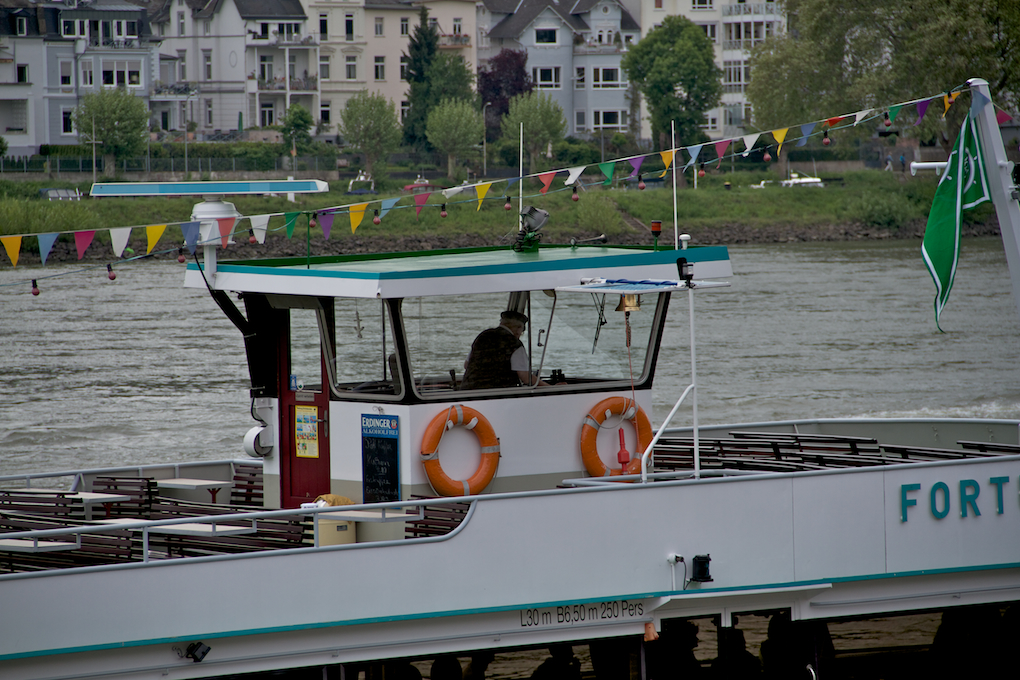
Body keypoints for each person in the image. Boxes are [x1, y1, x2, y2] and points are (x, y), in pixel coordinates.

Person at [460, 310, 549, 390]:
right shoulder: (514, 344)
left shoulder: (483, 336)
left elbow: (466, 365)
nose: (520, 334)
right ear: (518, 328)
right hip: (497, 394)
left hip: (469, 391)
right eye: (522, 331)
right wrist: (548, 386)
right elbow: (525, 377)